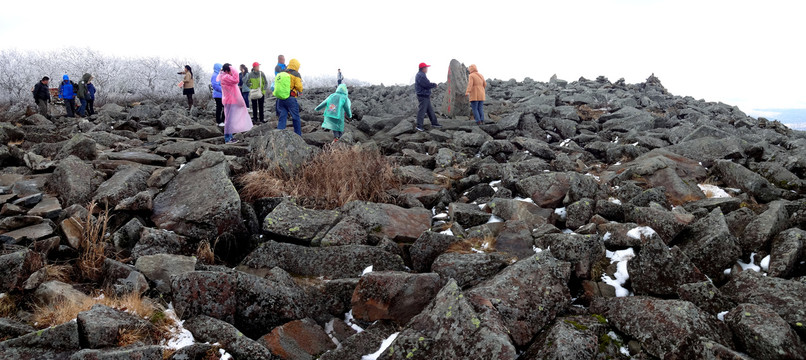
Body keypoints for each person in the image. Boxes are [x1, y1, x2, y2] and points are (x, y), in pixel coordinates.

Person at [217, 63, 253, 143]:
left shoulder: (224, 76)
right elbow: (236, 79)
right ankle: (228, 139)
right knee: (229, 120)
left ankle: (230, 137)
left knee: (230, 119)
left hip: (230, 100)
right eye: (230, 70)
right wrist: (232, 68)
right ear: (227, 70)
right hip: (230, 101)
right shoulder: (225, 76)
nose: (231, 72)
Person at [276, 58, 303, 135]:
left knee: (282, 116)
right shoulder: (296, 74)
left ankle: (279, 134)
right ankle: (298, 135)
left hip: (280, 98)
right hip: (290, 98)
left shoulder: (283, 72)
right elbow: (299, 87)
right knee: (295, 117)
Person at [414, 62, 441, 131]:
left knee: (430, 110)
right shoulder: (421, 75)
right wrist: (434, 85)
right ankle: (419, 126)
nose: (427, 69)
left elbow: (426, 84)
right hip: (423, 95)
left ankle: (434, 123)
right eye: (426, 68)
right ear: (423, 68)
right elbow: (426, 85)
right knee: (422, 111)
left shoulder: (421, 74)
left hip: (425, 95)